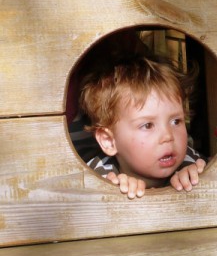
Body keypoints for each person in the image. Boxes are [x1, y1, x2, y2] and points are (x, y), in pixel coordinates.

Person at [79, 55, 207, 199]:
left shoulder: (190, 161)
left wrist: (196, 178)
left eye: (176, 121)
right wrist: (115, 195)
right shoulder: (95, 177)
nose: (168, 136)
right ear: (109, 141)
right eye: (148, 125)